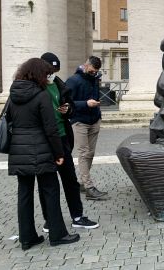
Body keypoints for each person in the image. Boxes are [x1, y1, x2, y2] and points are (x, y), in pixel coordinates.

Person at [7, 58, 80, 250]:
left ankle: (27, 238)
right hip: (41, 149)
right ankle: (58, 234)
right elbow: (50, 128)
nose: (49, 77)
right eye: (47, 74)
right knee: (50, 190)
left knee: (24, 194)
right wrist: (59, 153)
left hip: (19, 151)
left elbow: (8, 121)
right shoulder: (41, 96)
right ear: (40, 74)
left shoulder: (13, 94)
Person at [40, 53, 99, 231]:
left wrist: (68, 109)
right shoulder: (36, 87)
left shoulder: (58, 84)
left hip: (62, 137)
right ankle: (50, 220)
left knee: (71, 180)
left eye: (55, 70)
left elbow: (70, 105)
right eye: (50, 70)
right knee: (48, 184)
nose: (52, 74)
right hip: (44, 141)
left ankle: (77, 216)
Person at [66, 56, 108, 200]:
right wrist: (85, 104)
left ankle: (84, 183)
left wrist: (97, 107)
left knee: (90, 153)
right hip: (79, 121)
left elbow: (94, 97)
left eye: (96, 72)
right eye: (91, 71)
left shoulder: (95, 79)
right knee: (84, 153)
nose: (93, 73)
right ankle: (89, 187)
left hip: (94, 120)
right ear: (85, 65)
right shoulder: (73, 80)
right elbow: (65, 103)